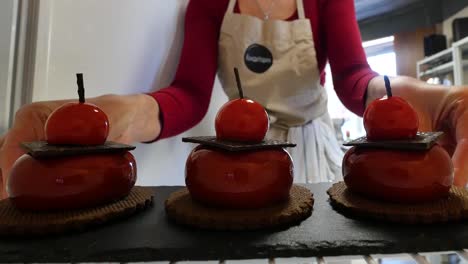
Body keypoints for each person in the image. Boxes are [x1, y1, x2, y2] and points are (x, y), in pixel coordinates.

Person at [1, 0, 468, 198]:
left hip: (312, 151)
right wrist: (120, 112)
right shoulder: (208, 4)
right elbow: (186, 96)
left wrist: (429, 98)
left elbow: (353, 78)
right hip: (241, 153)